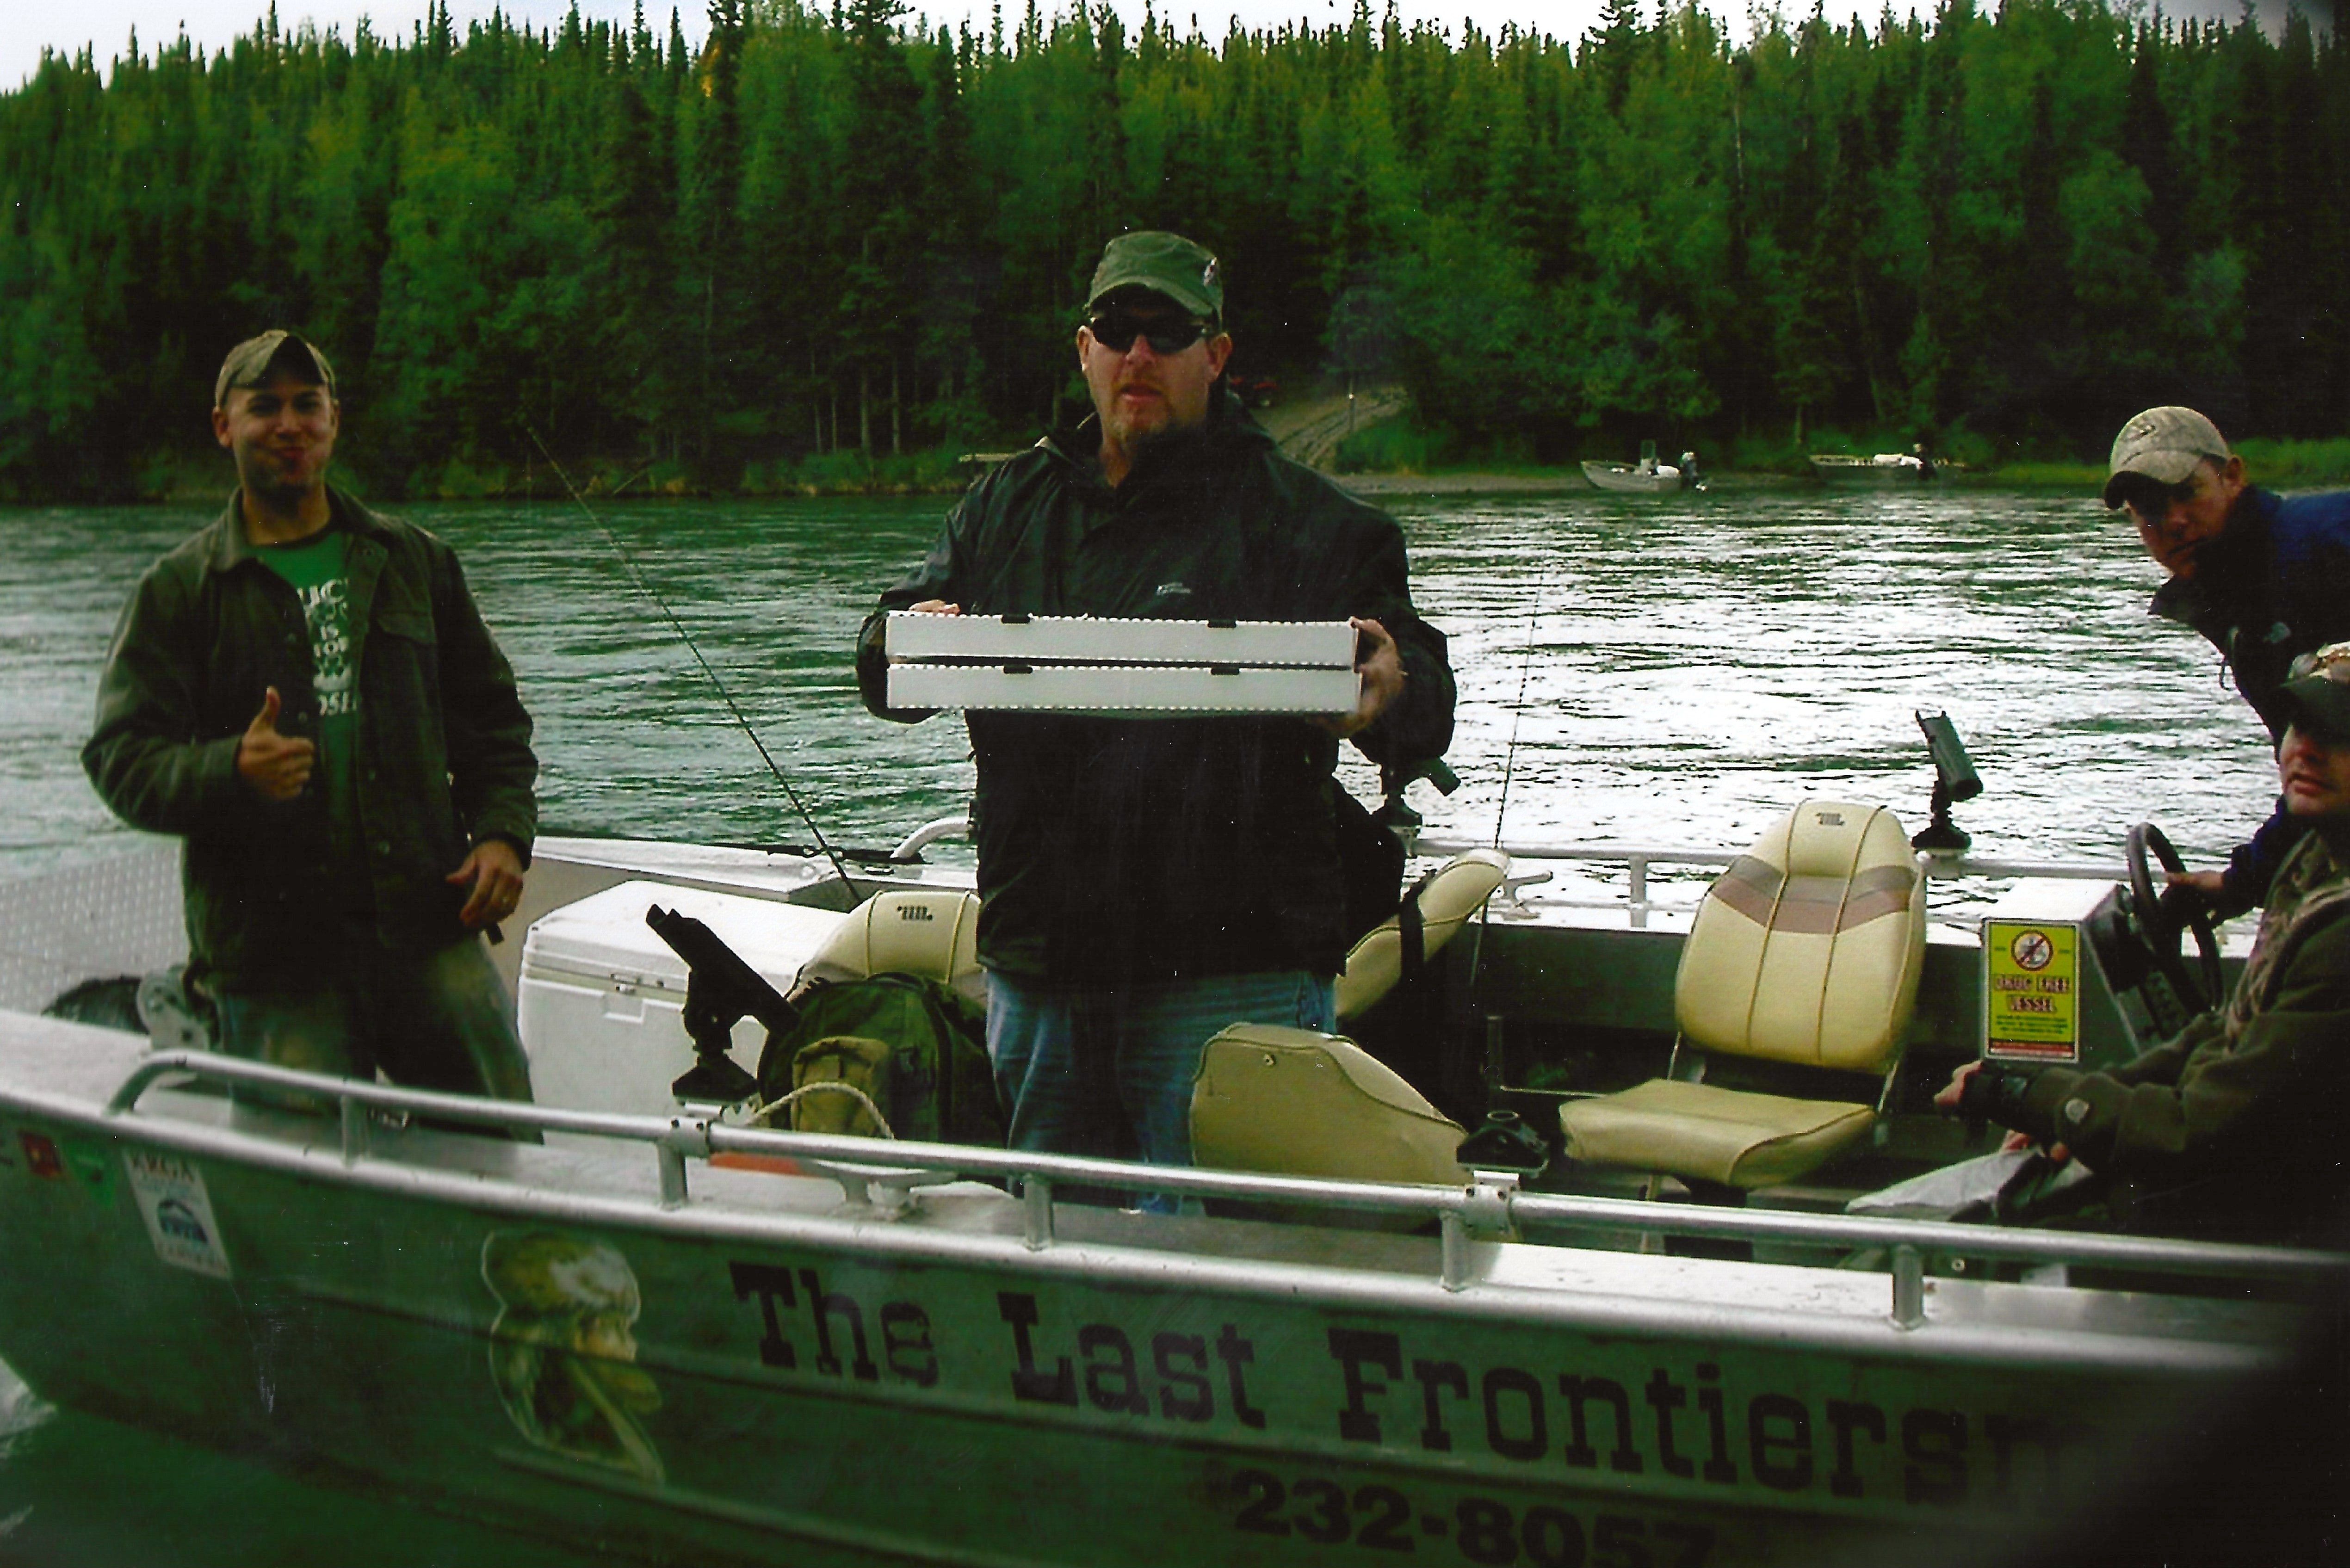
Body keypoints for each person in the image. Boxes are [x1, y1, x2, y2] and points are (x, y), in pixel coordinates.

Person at [857, 231, 1455, 1179]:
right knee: (1047, 1237)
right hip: (1043, 972)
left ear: (1215, 356)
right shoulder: (1000, 510)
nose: (1138, 353)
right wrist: (897, 640)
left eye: (1167, 331)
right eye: (1116, 329)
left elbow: (1421, 692)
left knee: (1234, 1249)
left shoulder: (1313, 525)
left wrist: (1391, 682)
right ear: (1083, 350)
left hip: (1236, 978)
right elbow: (885, 666)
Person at [83, 330, 540, 1115]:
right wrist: (230, 768)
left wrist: (502, 834)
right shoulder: (180, 591)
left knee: (505, 1149)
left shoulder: (415, 562)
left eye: (307, 404)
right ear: (224, 426)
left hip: (428, 926)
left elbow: (493, 722)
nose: (289, 425)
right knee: (297, 1175)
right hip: (273, 958)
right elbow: (119, 758)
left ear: (335, 418)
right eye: (265, 406)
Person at [1934, 641, 2350, 1245]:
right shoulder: (2315, 861)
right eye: (2298, 727)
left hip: (2293, 1224)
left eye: (2338, 736)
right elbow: (2230, 1028)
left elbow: (2194, 1131)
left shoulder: (2339, 935)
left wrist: (2019, 1093)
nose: (2304, 750)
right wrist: (2078, 1106)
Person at [2104, 406, 2350, 912]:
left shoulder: (2323, 545)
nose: (2174, 521)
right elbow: (2316, 765)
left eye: (2187, 493)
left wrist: (2248, 878)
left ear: (2232, 477)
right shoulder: (2234, 597)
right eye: (2149, 508)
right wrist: (2245, 882)